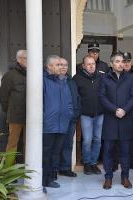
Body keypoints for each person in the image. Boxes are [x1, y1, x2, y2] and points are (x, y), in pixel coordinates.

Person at [98, 52, 133, 190]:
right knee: (108, 151)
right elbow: (102, 97)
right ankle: (108, 178)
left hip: (125, 119)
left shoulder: (130, 78)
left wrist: (124, 110)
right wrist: (115, 110)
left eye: (122, 61)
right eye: (117, 61)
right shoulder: (104, 78)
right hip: (110, 119)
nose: (121, 64)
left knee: (125, 152)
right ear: (111, 64)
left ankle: (125, 178)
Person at [42, 55, 73, 188]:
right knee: (45, 153)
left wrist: (69, 114)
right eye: (57, 65)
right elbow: (38, 104)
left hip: (62, 124)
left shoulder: (63, 81)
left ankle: (50, 178)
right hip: (49, 125)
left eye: (61, 65)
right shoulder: (42, 81)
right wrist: (44, 118)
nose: (61, 67)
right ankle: (43, 180)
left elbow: (69, 101)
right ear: (49, 66)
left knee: (55, 153)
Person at [73, 55, 104, 175]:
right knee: (87, 140)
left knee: (97, 140)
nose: (91, 66)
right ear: (83, 66)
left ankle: (93, 163)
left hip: (100, 114)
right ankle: (86, 163)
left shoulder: (102, 77)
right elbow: (75, 97)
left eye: (93, 64)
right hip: (86, 115)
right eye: (88, 64)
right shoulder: (77, 78)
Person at [0, 49, 27, 162]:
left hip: (30, 117)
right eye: (26, 58)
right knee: (12, 143)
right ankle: (9, 171)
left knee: (29, 143)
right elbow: (3, 96)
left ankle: (26, 168)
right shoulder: (10, 75)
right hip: (15, 116)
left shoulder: (33, 74)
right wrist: (10, 110)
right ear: (19, 59)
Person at [55, 58, 80, 178]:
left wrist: (77, 112)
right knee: (55, 145)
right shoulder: (51, 80)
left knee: (68, 144)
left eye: (65, 65)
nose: (63, 67)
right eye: (60, 65)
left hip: (71, 119)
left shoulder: (71, 81)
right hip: (57, 119)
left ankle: (65, 168)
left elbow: (77, 98)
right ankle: (53, 170)